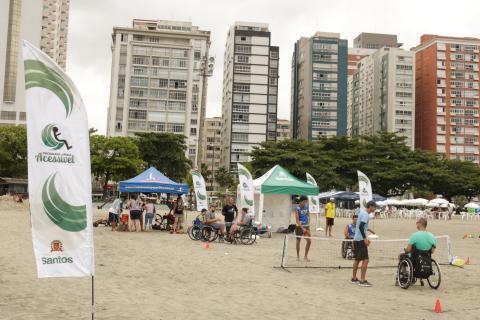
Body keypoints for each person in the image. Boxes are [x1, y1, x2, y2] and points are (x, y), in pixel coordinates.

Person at [351, 200, 376, 287]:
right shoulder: (365, 215)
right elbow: (361, 226)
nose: (375, 209)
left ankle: (354, 278)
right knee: (366, 260)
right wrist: (365, 238)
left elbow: (361, 226)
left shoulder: (362, 212)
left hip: (356, 239)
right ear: (371, 206)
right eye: (374, 207)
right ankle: (362, 280)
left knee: (357, 260)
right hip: (361, 240)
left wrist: (367, 232)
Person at [294, 196, 312, 262]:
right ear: (301, 201)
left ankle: (305, 256)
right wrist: (302, 228)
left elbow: (308, 214)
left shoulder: (306, 206)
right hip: (299, 226)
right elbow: (297, 220)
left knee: (309, 241)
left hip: (306, 225)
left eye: (306, 201)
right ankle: (298, 256)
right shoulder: (297, 208)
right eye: (304, 201)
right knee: (298, 241)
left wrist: (309, 221)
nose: (305, 203)